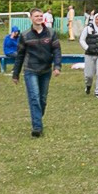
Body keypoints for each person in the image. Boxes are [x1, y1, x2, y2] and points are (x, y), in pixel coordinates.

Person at [12, 8, 63, 137]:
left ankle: (37, 118)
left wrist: (57, 66)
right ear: (31, 18)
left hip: (46, 70)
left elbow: (57, 51)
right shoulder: (25, 35)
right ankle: (37, 127)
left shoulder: (51, 33)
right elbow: (20, 55)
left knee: (42, 99)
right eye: (36, 16)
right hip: (30, 70)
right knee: (34, 97)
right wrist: (15, 74)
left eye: (41, 16)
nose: (39, 18)